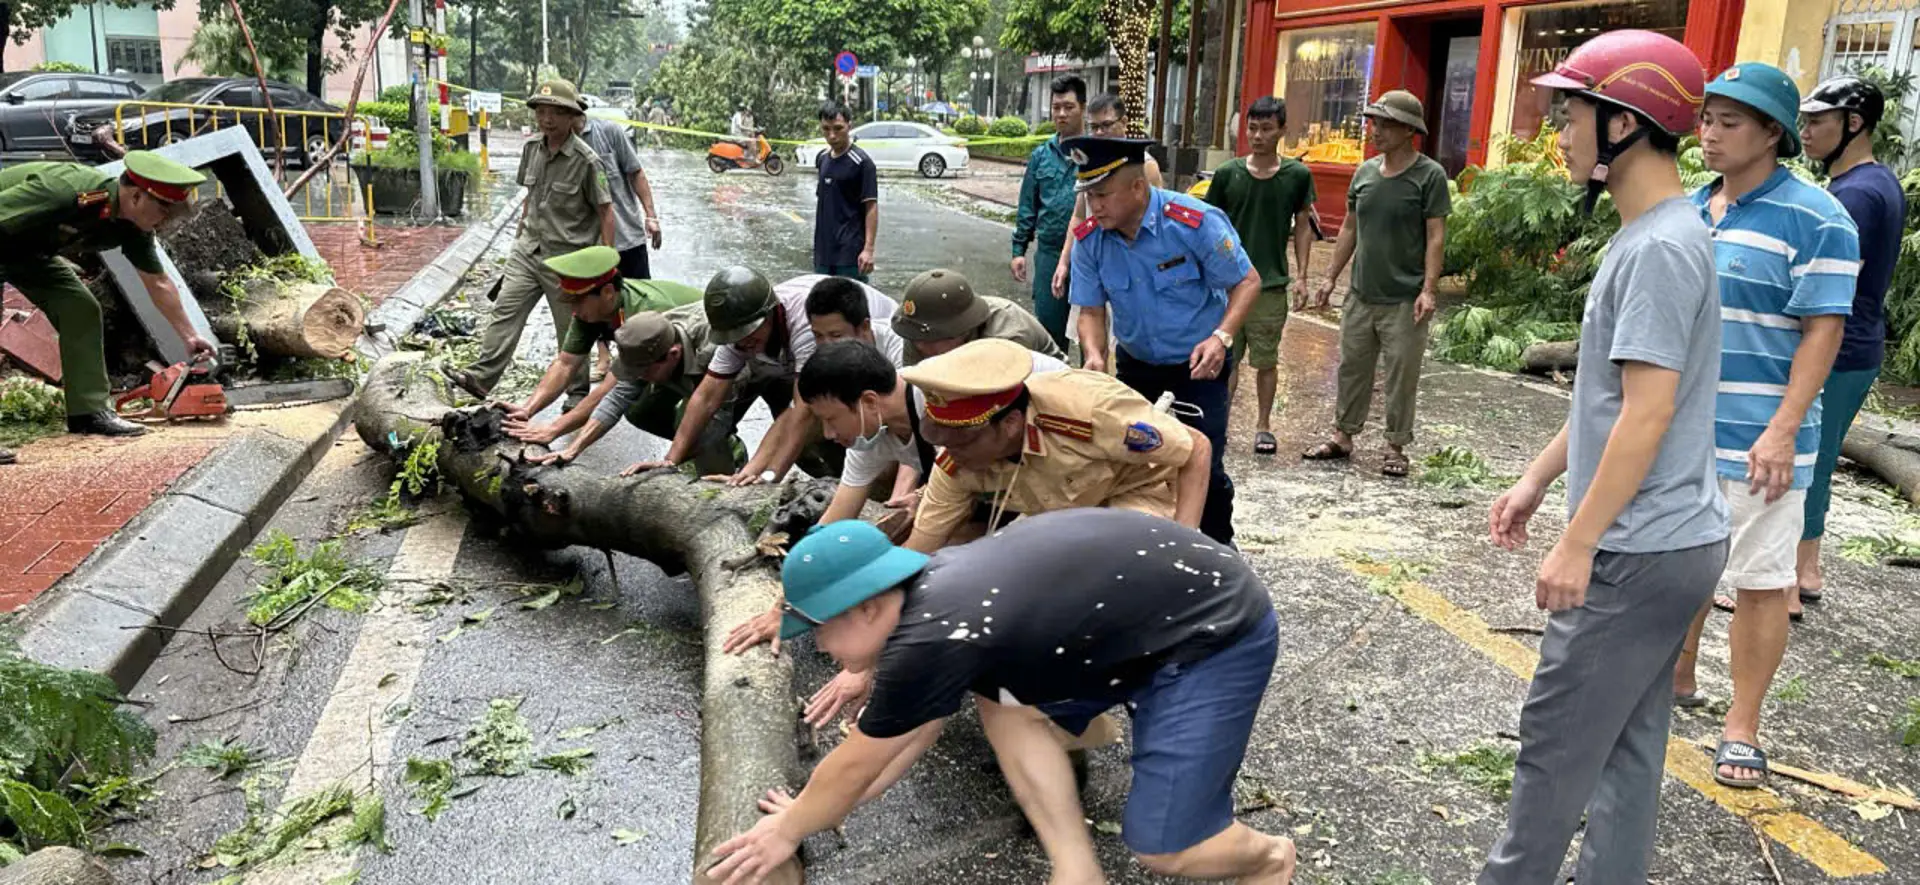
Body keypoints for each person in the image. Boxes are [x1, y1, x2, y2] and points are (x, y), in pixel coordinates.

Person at [705, 511, 1294, 885]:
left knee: (1169, 848)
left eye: (818, 631)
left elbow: (860, 758)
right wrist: (816, 812)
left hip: (1212, 633)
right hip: (1148, 617)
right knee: (999, 700)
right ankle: (1076, 867)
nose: (821, 649)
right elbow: (906, 734)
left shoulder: (933, 635)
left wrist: (789, 831)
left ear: (867, 606)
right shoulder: (932, 603)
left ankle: (1269, 860)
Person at [1476, 31, 1728, 884]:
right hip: (1674, 541)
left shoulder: (1658, 248)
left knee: (1553, 754)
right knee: (1626, 751)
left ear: (1625, 121)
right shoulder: (1660, 233)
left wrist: (1578, 539)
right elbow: (1611, 400)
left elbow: (1648, 414)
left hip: (1637, 548)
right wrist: (1538, 478)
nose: (1560, 132)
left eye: (1572, 112)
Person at [1673, 63, 1859, 790]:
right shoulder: (1690, 209)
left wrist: (1783, 429)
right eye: (1706, 120)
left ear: (1772, 134)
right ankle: (1678, 674)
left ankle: (1742, 724)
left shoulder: (1818, 219)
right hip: (1682, 431)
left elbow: (1823, 332)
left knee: (1758, 581)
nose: (1710, 135)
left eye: (1729, 122)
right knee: (1682, 566)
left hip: (1761, 437)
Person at [1067, 135, 1259, 546]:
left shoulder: (1193, 222)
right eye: (1088, 195)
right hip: (1136, 365)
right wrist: (1095, 356)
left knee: (1201, 462)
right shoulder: (1090, 239)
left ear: (1137, 187)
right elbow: (1091, 311)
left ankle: (1218, 550)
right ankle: (1149, 550)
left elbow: (1247, 282)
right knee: (1133, 462)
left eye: (1102, 195)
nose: (1093, 206)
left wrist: (1222, 337)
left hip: (1197, 364)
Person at [0, 150, 217, 460]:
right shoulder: (67, 190)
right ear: (137, 196)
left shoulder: (134, 227)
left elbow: (158, 282)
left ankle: (89, 413)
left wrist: (188, 335)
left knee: (80, 307)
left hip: (27, 252)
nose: (166, 219)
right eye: (164, 209)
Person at [901, 337, 1210, 554]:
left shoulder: (1088, 412)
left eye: (963, 443)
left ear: (1009, 425)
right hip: (1062, 512)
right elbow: (923, 544)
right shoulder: (956, 460)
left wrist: (1184, 544)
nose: (951, 453)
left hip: (1136, 491)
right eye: (945, 441)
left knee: (1114, 565)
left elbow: (1196, 446)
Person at [1795, 76, 1906, 612]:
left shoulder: (1858, 194)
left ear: (1853, 124)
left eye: (1817, 121)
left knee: (1806, 457)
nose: (1806, 131)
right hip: (1858, 345)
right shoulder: (1874, 181)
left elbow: (1833, 279)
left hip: (1839, 348)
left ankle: (1795, 578)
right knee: (1816, 454)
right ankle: (1805, 569)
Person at [622, 269, 896, 484]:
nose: (742, 344)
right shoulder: (737, 331)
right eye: (735, 339)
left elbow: (802, 411)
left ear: (773, 314)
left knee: (854, 428)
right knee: (820, 434)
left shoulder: (809, 328)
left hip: (876, 359)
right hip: (827, 362)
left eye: (749, 335)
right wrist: (671, 460)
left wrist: (769, 476)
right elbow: (706, 396)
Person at [1303, 89, 1450, 477]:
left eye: (1385, 124)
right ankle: (1343, 435)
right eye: (1374, 122)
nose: (1376, 130)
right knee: (1352, 366)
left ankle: (1396, 445)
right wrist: (1331, 277)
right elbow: (1350, 227)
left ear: (1408, 130)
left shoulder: (1429, 176)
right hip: (1361, 294)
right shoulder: (1365, 172)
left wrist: (1429, 289)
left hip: (1405, 298)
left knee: (1402, 374)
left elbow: (1436, 236)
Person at [450, 79, 613, 406]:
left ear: (572, 118)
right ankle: (481, 379)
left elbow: (606, 212)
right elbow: (531, 196)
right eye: (541, 111)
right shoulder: (530, 150)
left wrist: (605, 267)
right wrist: (519, 234)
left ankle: (577, 396)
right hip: (528, 251)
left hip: (568, 261)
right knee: (505, 312)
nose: (547, 119)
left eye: (556, 113)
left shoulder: (588, 161)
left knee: (570, 331)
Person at [497, 245, 702, 453]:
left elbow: (611, 389)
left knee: (702, 411)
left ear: (607, 292)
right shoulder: (591, 312)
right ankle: (695, 448)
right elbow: (565, 364)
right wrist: (527, 409)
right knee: (641, 413)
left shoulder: (644, 317)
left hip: (702, 354)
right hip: (666, 361)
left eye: (577, 301)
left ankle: (722, 451)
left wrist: (554, 428)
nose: (573, 310)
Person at [1204, 96, 1316, 456]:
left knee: (1266, 360)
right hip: (1226, 284)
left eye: (1267, 128)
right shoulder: (1227, 175)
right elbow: (1209, 225)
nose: (1258, 135)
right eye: (1252, 128)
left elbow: (1303, 225)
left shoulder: (1297, 175)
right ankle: (1218, 424)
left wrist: (1302, 276)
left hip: (1270, 284)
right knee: (1224, 357)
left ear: (1282, 130)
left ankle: (1263, 425)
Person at [1050, 93, 1167, 304]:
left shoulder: (1144, 167)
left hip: (1131, 272)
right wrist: (1064, 262)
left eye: (1106, 125)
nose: (1100, 133)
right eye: (1094, 127)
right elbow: (1078, 217)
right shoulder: (1089, 166)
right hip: (1093, 262)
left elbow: (1157, 220)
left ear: (1123, 122)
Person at [1011, 75, 1086, 351]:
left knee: (1093, 337)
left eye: (1069, 106)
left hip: (1091, 254)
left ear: (1083, 107)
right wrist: (1019, 250)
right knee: (1050, 337)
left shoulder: (1097, 153)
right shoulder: (1041, 156)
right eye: (1056, 107)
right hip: (1050, 254)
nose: (1062, 114)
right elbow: (1027, 205)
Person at [891, 267, 1062, 365]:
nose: (918, 346)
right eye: (915, 339)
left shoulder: (1006, 336)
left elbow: (999, 408)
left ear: (961, 332)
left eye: (927, 341)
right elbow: (913, 390)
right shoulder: (919, 332)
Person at [578, 115, 662, 281]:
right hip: (584, 247)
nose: (549, 119)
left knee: (639, 300)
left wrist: (651, 216)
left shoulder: (609, 131)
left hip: (626, 239)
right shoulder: (554, 144)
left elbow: (636, 172)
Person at [813, 101, 877, 281]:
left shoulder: (862, 163)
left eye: (838, 128)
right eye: (826, 129)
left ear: (850, 126)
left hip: (850, 254)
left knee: (851, 305)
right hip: (823, 252)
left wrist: (868, 249)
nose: (832, 135)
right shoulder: (823, 160)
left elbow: (871, 207)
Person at [803, 275, 906, 366]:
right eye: (818, 335)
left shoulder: (899, 346)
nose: (826, 346)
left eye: (836, 336)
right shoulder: (817, 350)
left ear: (864, 327)